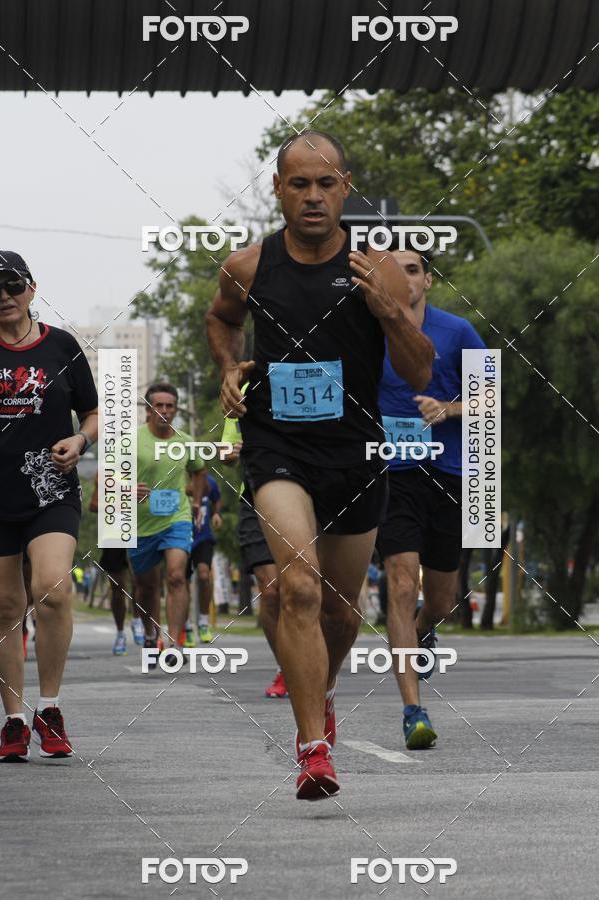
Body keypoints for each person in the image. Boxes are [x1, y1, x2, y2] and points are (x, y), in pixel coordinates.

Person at [206, 131, 434, 799]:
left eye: (324, 183)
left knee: (341, 612)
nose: (312, 196)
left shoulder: (378, 267)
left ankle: (321, 692)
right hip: (278, 446)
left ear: (345, 186)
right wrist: (229, 368)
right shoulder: (248, 266)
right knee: (296, 588)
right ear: (277, 189)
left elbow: (419, 368)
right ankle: (312, 750)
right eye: (298, 184)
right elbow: (220, 321)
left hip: (356, 453)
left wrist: (391, 312)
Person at [376, 239, 486, 749]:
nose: (405, 277)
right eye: (394, 270)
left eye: (414, 269)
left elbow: (489, 397)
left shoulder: (457, 331)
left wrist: (448, 408)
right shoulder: (366, 329)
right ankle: (412, 709)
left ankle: (424, 629)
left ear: (427, 280)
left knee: (441, 598)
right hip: (392, 473)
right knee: (400, 582)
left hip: (449, 472)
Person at [0, 251, 98, 762]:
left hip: (49, 488)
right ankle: (14, 719)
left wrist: (81, 440)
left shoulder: (61, 345)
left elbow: (95, 411)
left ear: (32, 288)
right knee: (5, 607)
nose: (4, 297)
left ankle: (51, 707)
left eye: (12, 285)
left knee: (52, 590)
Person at [128, 382, 207, 666]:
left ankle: (174, 643)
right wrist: (127, 489)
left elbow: (199, 472)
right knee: (146, 586)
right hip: (139, 523)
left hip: (176, 518)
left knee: (176, 576)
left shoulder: (186, 441)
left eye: (169, 406)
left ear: (175, 410)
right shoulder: (130, 440)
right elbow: (108, 481)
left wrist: (196, 503)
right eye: (158, 405)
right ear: (148, 410)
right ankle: (151, 635)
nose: (164, 411)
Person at [220, 393, 286, 698]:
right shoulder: (244, 386)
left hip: (303, 495)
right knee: (270, 590)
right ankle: (287, 667)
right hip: (255, 496)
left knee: (302, 590)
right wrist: (230, 453)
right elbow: (226, 449)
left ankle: (314, 661)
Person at [89, 471, 144, 655]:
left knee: (139, 581)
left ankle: (137, 619)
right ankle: (120, 633)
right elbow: (93, 505)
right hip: (113, 535)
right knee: (117, 588)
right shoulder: (105, 472)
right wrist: (118, 503)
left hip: (138, 531)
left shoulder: (142, 466)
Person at [184, 473, 222, 644]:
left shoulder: (209, 481)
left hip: (203, 537)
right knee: (181, 582)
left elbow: (217, 499)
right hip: (181, 537)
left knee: (204, 575)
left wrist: (216, 514)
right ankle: (186, 627)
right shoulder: (176, 478)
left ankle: (203, 622)